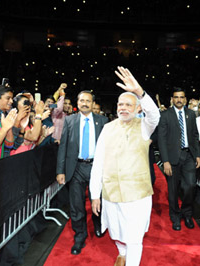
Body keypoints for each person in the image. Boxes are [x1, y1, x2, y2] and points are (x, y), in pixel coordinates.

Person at [90, 66, 160, 266]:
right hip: (111, 193)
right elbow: (98, 162)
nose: (123, 108)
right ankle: (121, 253)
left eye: (128, 105)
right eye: (120, 104)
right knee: (116, 230)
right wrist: (95, 194)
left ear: (138, 108)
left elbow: (155, 115)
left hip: (137, 195)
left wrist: (139, 92)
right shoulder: (107, 128)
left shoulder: (145, 126)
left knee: (134, 237)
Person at [56, 90, 108, 255]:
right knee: (76, 205)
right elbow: (63, 147)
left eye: (88, 101)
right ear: (77, 103)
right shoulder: (69, 120)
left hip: (96, 168)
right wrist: (60, 170)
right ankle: (80, 235)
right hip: (76, 168)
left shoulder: (103, 121)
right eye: (82, 100)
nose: (85, 103)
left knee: (98, 200)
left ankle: (99, 224)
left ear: (93, 104)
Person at [158, 87, 200, 231]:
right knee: (173, 190)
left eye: (182, 97)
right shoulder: (165, 115)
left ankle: (187, 214)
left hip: (188, 156)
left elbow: (195, 135)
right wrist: (165, 161)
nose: (179, 100)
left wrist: (198, 155)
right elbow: (162, 139)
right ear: (172, 99)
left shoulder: (191, 114)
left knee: (190, 186)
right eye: (176, 97)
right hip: (172, 158)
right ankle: (175, 217)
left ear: (185, 99)